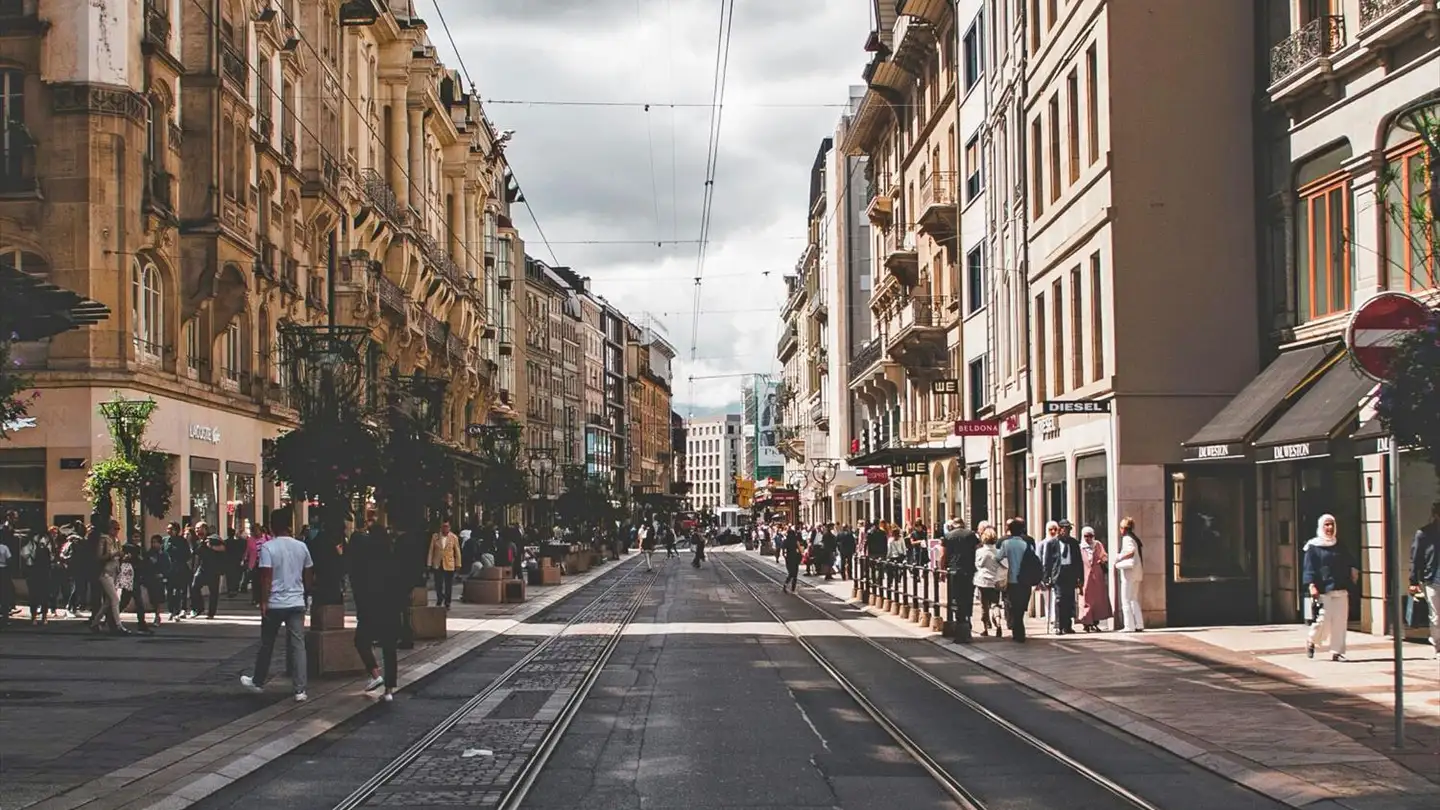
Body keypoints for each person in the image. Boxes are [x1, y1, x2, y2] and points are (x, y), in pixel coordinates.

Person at [241, 508, 313, 702]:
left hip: (275, 602)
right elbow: (308, 574)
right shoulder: (301, 547)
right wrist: (305, 595)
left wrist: (263, 601)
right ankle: (300, 689)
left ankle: (258, 681)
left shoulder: (268, 547)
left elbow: (266, 576)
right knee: (298, 646)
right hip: (296, 601)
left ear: (272, 526)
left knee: (267, 643)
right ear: (289, 524)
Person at [349, 521, 402, 702]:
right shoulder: (392, 556)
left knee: (361, 640)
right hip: (390, 608)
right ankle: (388, 690)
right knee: (389, 648)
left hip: (370, 607)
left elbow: (360, 584)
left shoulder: (366, 559)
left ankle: (375, 672)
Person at [1302, 513, 1357, 662]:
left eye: (1332, 524)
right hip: (1323, 588)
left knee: (1340, 621)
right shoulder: (1313, 547)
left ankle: (1337, 651)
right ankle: (1311, 640)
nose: (1330, 528)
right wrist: (1311, 585)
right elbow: (1309, 568)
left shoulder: (1339, 545)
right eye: (1326, 524)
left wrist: (1353, 571)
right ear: (1321, 526)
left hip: (1340, 587)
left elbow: (1349, 560)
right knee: (1323, 620)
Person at [1408, 502, 1440, 659]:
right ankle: (1438, 646)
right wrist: (1413, 581)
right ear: (1435, 515)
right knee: (1436, 615)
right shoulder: (1424, 533)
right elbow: (1416, 558)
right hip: (1432, 579)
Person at [996, 518, 1035, 642]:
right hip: (1025, 579)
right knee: (1021, 606)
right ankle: (1019, 629)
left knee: (1013, 605)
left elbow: (998, 557)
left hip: (1011, 580)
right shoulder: (1026, 543)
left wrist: (1006, 565)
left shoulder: (1006, 544)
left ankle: (1017, 630)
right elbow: (1033, 559)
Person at [941, 519, 979, 642]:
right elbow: (978, 549)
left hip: (953, 570)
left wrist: (942, 570)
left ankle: (959, 622)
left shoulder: (948, 536)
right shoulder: (970, 534)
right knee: (968, 596)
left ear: (952, 526)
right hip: (968, 570)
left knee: (955, 598)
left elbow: (943, 554)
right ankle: (967, 620)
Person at [89, 520, 128, 634]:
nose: (116, 531)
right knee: (115, 599)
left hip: (114, 572)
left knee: (108, 602)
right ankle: (118, 625)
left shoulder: (116, 540)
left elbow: (118, 555)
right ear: (109, 529)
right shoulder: (104, 539)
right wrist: (114, 554)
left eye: (118, 529)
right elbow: (99, 556)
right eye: (114, 529)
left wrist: (122, 557)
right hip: (105, 573)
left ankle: (95, 623)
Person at [1078, 526, 1113, 632]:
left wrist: (1102, 560)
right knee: (1085, 599)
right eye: (1086, 536)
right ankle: (1086, 622)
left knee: (1097, 600)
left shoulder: (1097, 545)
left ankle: (1095, 622)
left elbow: (1104, 556)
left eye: (1090, 536)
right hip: (1085, 576)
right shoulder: (1080, 547)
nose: (1088, 538)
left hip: (1097, 577)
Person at [190, 521, 225, 619]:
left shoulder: (213, 538)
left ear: (205, 529)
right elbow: (196, 555)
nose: (197, 530)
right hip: (202, 569)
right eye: (196, 529)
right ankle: (199, 607)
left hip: (214, 570)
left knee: (213, 592)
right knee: (194, 587)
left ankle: (211, 613)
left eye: (199, 528)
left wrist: (212, 547)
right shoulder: (197, 541)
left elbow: (223, 548)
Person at [1115, 517, 1145, 632]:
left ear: (1124, 528)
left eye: (1121, 528)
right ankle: (1139, 623)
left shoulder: (1127, 539)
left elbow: (1130, 552)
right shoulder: (1134, 538)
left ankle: (1129, 625)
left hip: (1129, 573)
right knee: (1134, 599)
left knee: (1126, 599)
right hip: (1137, 572)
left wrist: (1120, 557)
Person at [973, 527, 1004, 636]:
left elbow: (978, 565)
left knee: (984, 605)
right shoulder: (999, 552)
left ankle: (985, 628)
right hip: (995, 581)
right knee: (995, 604)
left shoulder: (980, 552)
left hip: (982, 581)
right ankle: (999, 624)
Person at [427, 520, 461, 608]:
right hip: (438, 563)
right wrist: (429, 563)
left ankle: (447, 601)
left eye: (446, 526)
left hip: (449, 563)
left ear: (449, 527)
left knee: (448, 584)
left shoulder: (453, 537)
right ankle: (439, 598)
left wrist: (458, 564)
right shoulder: (435, 537)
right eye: (443, 527)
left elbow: (457, 551)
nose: (445, 528)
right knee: (438, 583)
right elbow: (431, 550)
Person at [781, 523, 803, 592]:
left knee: (790, 573)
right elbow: (800, 550)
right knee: (795, 574)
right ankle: (793, 589)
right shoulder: (796, 541)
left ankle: (785, 584)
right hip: (795, 558)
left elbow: (783, 551)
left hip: (788, 558)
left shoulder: (785, 541)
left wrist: (785, 556)